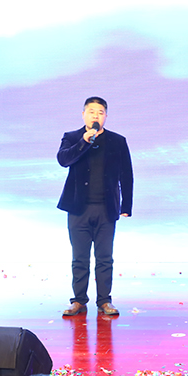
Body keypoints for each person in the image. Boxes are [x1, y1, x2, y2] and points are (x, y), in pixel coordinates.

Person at [57, 96, 134, 317]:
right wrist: (84, 141)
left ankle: (104, 301)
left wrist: (126, 205)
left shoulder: (118, 141)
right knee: (79, 257)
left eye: (100, 112)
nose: (95, 116)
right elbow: (63, 160)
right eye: (91, 112)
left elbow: (126, 174)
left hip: (106, 208)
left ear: (106, 116)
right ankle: (79, 301)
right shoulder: (72, 137)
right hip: (78, 208)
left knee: (104, 258)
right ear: (83, 115)